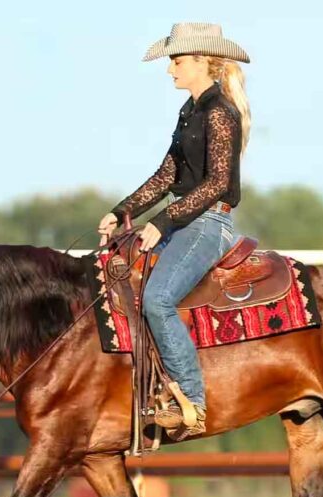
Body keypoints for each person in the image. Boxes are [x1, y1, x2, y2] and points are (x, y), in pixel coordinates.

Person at [97, 22, 251, 437]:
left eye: (177, 61)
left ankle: (194, 404)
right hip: (185, 220)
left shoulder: (220, 113)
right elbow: (167, 175)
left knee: (159, 298)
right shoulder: (190, 112)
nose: (171, 70)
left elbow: (218, 183)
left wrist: (161, 221)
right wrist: (122, 211)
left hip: (207, 222)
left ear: (202, 61)